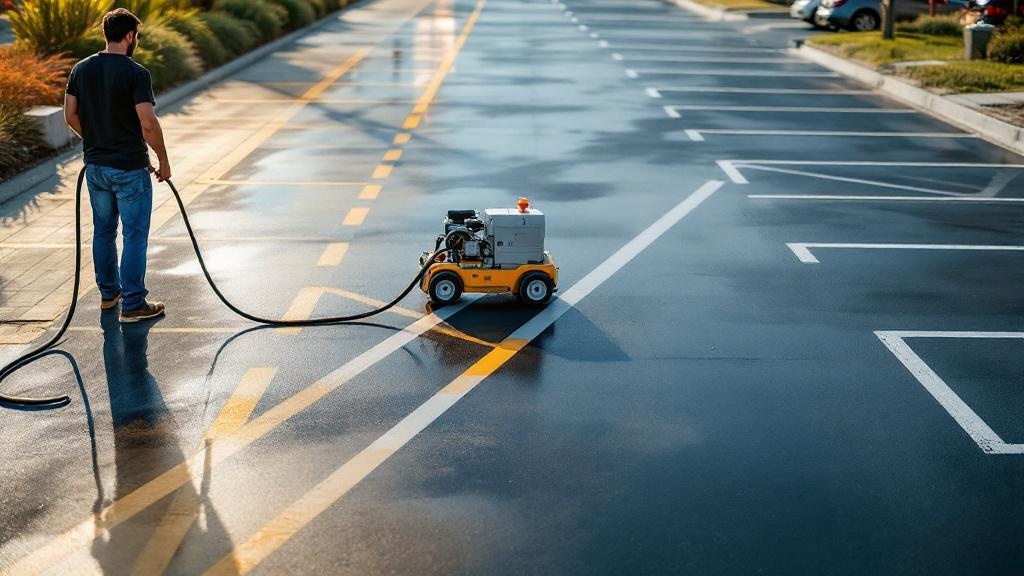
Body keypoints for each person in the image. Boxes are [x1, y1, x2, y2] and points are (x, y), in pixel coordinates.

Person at [64, 8, 168, 323]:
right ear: (129, 36)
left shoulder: (81, 69)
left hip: (96, 168)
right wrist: (163, 160)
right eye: (135, 35)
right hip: (129, 169)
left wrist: (97, 141)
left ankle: (109, 296)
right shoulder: (136, 73)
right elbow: (148, 124)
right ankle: (134, 303)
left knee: (104, 231)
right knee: (135, 235)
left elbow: (70, 114)